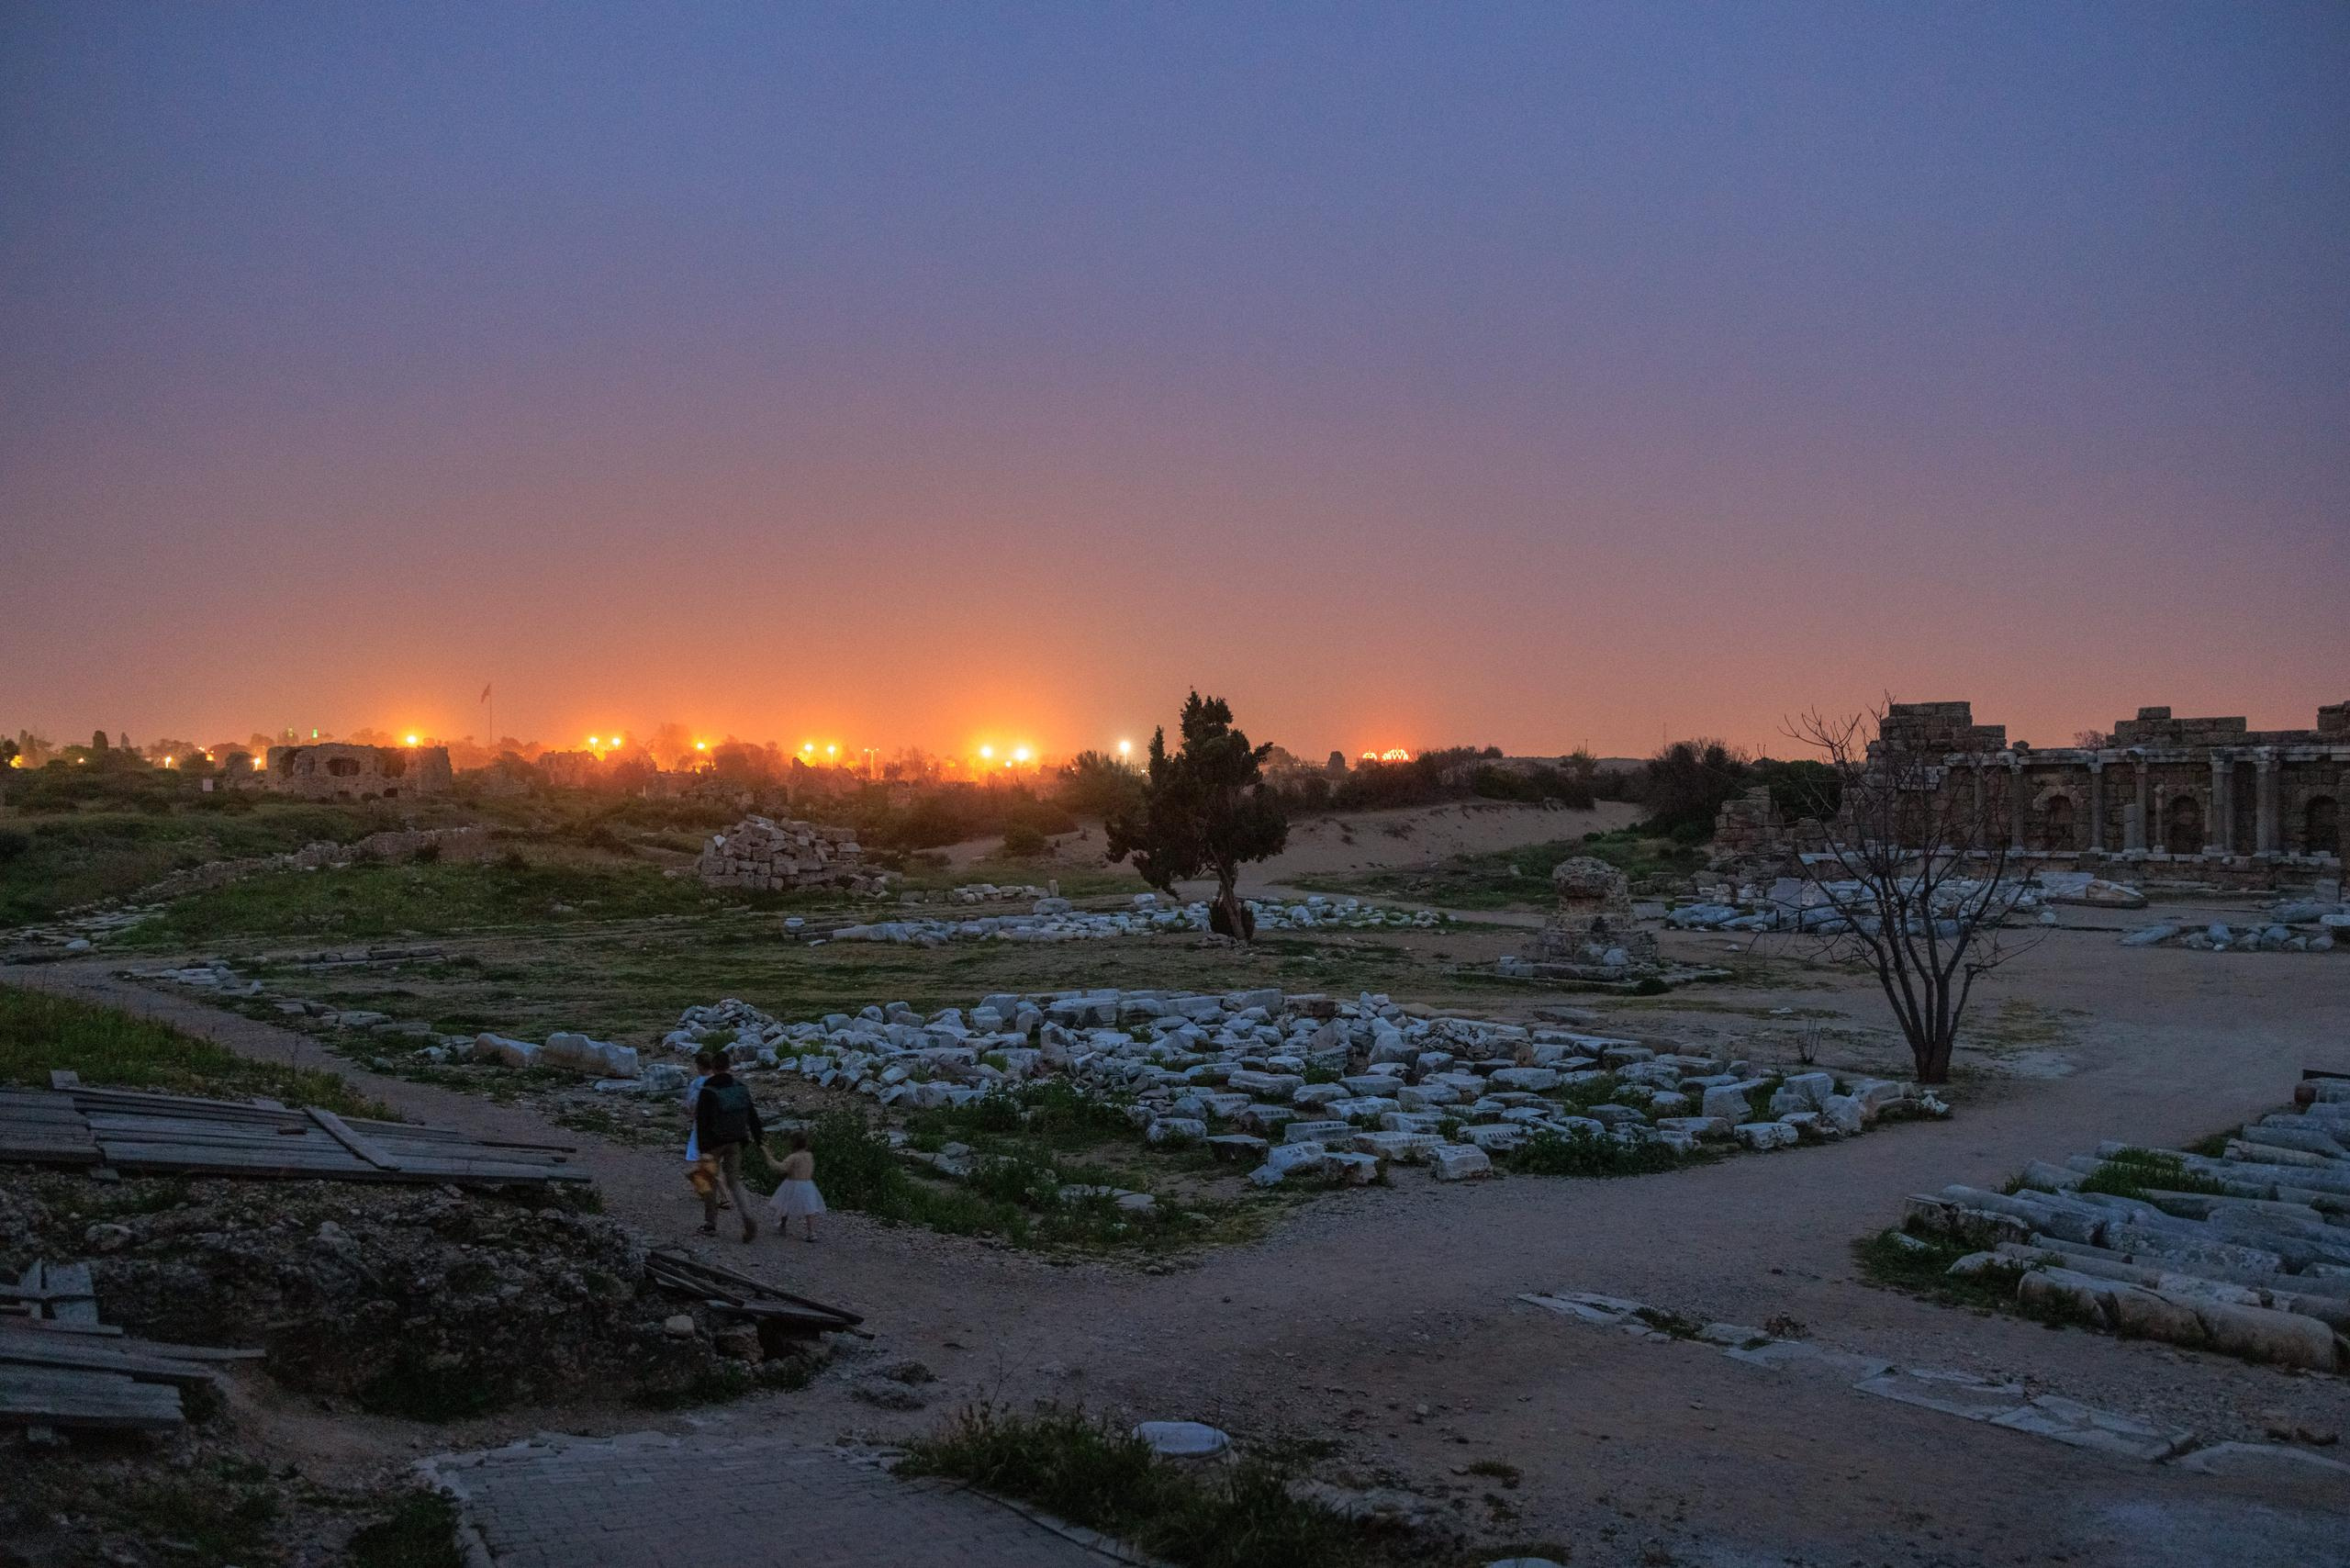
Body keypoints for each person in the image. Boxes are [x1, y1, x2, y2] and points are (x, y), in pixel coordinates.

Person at [692, 1059, 765, 1242]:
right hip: (737, 1140)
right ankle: (748, 1215)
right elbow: (752, 1115)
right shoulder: (739, 1087)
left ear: (714, 1068)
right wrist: (759, 1139)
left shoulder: (707, 1090)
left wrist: (702, 1149)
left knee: (707, 1181)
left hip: (713, 1143)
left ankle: (710, 1224)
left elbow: (701, 1122)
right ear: (729, 1067)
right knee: (734, 1181)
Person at [682, 1050, 730, 1211]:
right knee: (715, 1162)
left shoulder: (696, 1084)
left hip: (702, 1127)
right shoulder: (720, 1083)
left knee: (705, 1161)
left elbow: (689, 1107)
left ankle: (722, 1195)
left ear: (699, 1066)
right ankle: (703, 1190)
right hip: (721, 1126)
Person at [766, 1131, 825, 1242]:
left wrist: (769, 1158)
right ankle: (811, 1232)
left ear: (793, 1144)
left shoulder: (793, 1157)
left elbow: (781, 1168)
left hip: (792, 1183)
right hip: (808, 1184)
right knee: (809, 1209)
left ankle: (783, 1226)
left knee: (785, 1204)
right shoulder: (809, 1155)